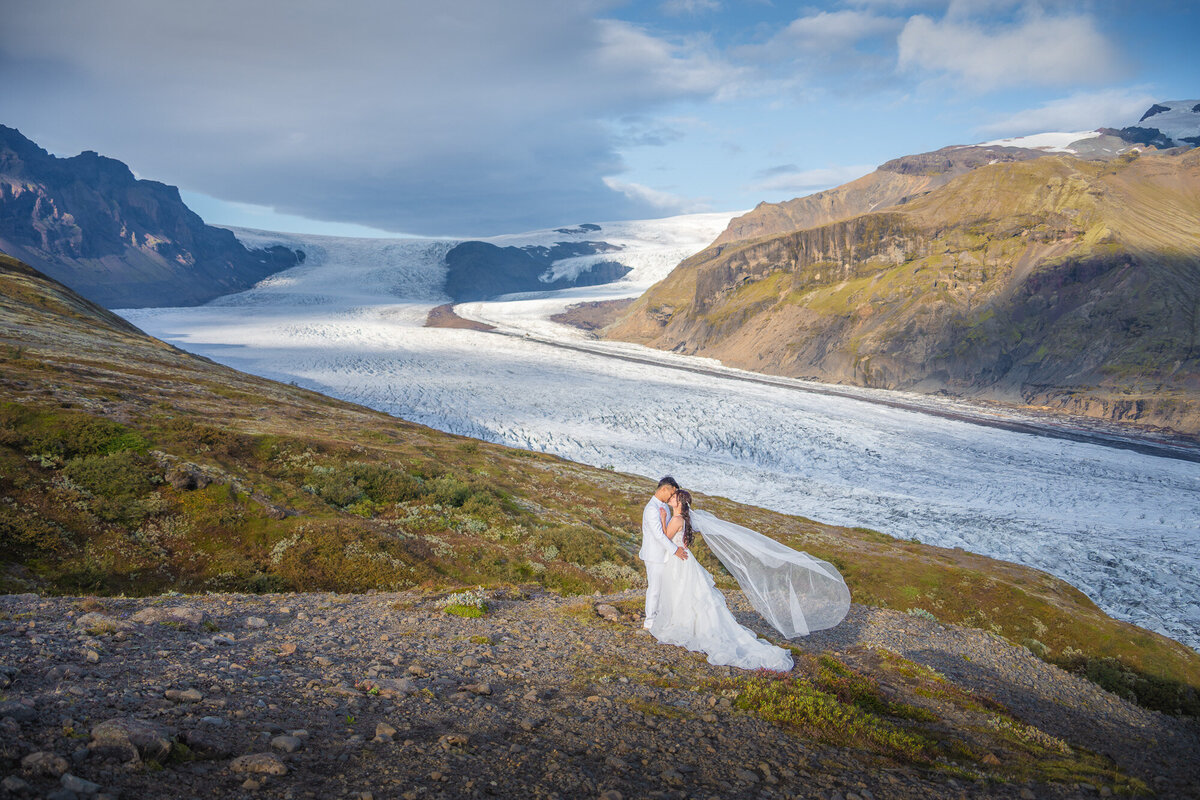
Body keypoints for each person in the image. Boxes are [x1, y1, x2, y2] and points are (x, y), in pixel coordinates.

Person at [648, 489, 851, 672]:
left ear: (680, 502)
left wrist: (663, 516)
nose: (670, 498)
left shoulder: (676, 520)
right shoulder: (684, 519)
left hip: (678, 561)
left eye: (674, 497)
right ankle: (686, 623)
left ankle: (683, 625)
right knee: (691, 597)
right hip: (684, 560)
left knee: (683, 595)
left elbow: (664, 538)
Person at [640, 476, 688, 630]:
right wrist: (676, 550)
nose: (672, 496)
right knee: (654, 589)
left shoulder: (664, 507)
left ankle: (662, 617)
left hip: (665, 555)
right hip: (655, 556)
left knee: (664, 589)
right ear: (664, 489)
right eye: (672, 493)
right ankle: (650, 622)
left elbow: (669, 531)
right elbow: (659, 535)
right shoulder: (652, 509)